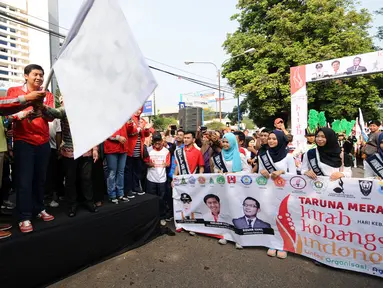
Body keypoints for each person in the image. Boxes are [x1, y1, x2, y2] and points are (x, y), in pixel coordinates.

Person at [6, 64, 55, 233]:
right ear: (26, 76)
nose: (39, 78)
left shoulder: (47, 94)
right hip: (24, 142)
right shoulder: (14, 91)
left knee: (40, 179)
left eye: (41, 75)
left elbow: (50, 118)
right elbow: (8, 113)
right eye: (35, 74)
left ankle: (39, 208)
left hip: (43, 142)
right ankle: (25, 216)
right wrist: (22, 114)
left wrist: (43, 109)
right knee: (24, 181)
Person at [42, 103, 99, 217]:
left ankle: (89, 202)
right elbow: (53, 113)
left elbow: (93, 132)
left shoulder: (88, 111)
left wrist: (95, 149)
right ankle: (71, 205)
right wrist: (41, 105)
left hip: (86, 150)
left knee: (86, 178)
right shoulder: (65, 109)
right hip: (69, 151)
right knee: (70, 179)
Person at [258, 130, 296, 259]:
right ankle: (273, 243)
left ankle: (284, 245)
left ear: (280, 140)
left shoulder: (289, 156)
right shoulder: (263, 155)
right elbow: (259, 173)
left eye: (274, 139)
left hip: (284, 193)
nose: (271, 141)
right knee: (270, 216)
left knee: (283, 218)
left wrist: (282, 172)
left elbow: (295, 176)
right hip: (268, 191)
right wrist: (261, 172)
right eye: (269, 138)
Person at [125, 108, 151, 197]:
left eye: (140, 109)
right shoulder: (129, 118)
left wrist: (147, 129)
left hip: (139, 150)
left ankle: (136, 187)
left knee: (137, 170)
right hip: (130, 149)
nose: (139, 111)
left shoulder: (142, 120)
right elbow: (129, 131)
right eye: (137, 109)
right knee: (128, 171)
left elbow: (146, 134)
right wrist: (139, 128)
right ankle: (128, 190)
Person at [146, 133, 171, 226]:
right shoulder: (148, 150)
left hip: (161, 179)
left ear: (162, 141)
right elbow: (145, 162)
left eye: (158, 141)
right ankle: (151, 218)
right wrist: (148, 164)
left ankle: (162, 217)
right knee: (151, 199)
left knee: (162, 200)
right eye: (155, 141)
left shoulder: (166, 151)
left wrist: (165, 164)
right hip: (150, 178)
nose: (157, 143)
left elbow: (168, 164)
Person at [104, 123, 130, 204]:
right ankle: (112, 195)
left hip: (123, 148)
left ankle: (120, 194)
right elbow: (105, 132)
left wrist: (131, 124)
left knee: (121, 172)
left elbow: (130, 132)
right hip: (111, 148)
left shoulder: (124, 118)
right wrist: (117, 137)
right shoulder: (108, 117)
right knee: (112, 172)